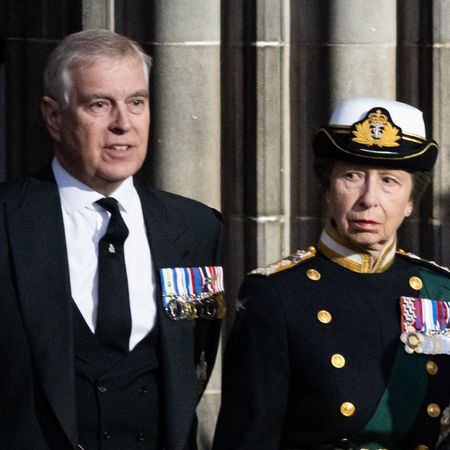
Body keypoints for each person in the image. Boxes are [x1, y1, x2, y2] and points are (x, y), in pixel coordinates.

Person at [0, 29, 224, 450]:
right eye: (99, 104)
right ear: (53, 117)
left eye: (136, 102)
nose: (123, 123)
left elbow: (197, 352)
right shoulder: (7, 220)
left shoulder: (197, 228)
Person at [213, 98, 450, 450]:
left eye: (389, 181)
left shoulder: (439, 290)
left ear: (411, 201)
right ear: (328, 189)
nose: (368, 199)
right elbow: (248, 438)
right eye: (352, 176)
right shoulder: (277, 295)